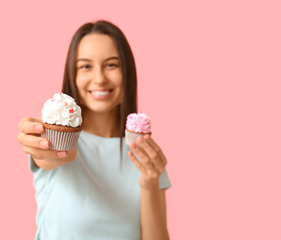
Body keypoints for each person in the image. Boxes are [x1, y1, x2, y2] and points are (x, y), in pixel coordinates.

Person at [17, 20, 171, 240]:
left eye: (111, 65)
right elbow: (57, 157)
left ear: (127, 71)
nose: (99, 78)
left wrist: (149, 184)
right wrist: (44, 148)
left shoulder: (147, 154)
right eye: (86, 66)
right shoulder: (63, 143)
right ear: (72, 74)